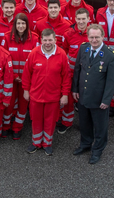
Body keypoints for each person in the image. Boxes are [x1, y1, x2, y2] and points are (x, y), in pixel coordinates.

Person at [72, 24, 114, 164]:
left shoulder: (110, 55)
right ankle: (85, 144)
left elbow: (111, 81)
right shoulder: (83, 48)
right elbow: (77, 71)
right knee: (84, 123)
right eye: (91, 37)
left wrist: (106, 100)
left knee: (100, 127)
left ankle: (97, 150)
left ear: (103, 37)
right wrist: (75, 90)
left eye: (97, 37)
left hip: (99, 100)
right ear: (87, 37)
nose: (94, 40)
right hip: (83, 95)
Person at [22, 28, 71, 156]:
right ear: (41, 40)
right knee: (36, 120)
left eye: (50, 40)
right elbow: (26, 74)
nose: (48, 42)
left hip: (53, 97)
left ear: (55, 40)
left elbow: (66, 77)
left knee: (50, 121)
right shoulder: (34, 53)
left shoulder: (62, 55)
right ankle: (36, 143)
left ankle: (47, 143)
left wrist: (65, 94)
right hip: (36, 96)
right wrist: (26, 91)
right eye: (45, 40)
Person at [1, 13, 40, 140]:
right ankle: (6, 126)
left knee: (23, 105)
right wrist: (14, 75)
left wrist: (25, 77)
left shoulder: (34, 38)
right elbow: (3, 59)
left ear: (27, 25)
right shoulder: (7, 38)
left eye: (23, 23)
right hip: (10, 79)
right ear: (14, 25)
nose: (21, 26)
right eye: (18, 23)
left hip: (26, 80)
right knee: (9, 104)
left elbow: (36, 60)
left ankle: (17, 127)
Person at [59, 8, 90, 134]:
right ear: (75, 19)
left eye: (84, 19)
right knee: (69, 100)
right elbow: (64, 50)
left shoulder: (93, 34)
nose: (81, 21)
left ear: (89, 19)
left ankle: (85, 124)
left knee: (85, 100)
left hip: (87, 74)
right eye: (79, 19)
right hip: (71, 73)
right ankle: (67, 122)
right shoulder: (68, 34)